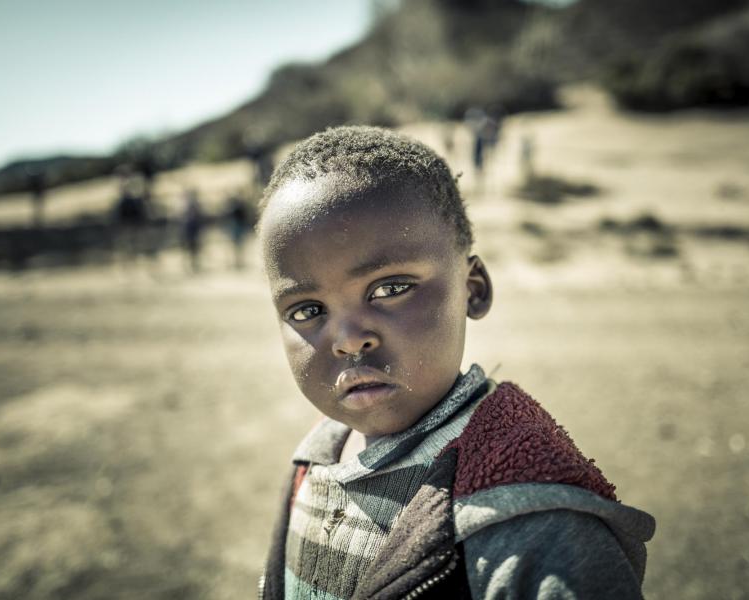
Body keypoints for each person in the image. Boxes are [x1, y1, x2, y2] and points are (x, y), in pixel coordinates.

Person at [257, 126, 655, 599]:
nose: (348, 340)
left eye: (389, 289)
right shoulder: (314, 460)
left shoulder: (530, 523)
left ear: (473, 288)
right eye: (307, 311)